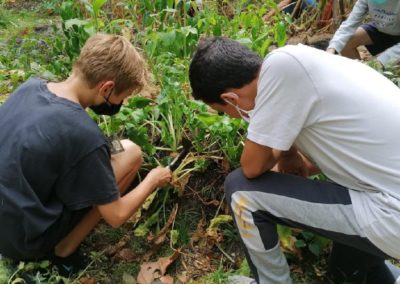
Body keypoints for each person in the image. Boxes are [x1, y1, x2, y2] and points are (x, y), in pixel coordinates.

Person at [189, 37, 400, 283]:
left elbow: (252, 167)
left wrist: (278, 148)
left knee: (241, 191)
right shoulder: (305, 62)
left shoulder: (282, 69)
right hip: (386, 196)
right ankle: (374, 276)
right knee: (342, 272)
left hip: (390, 211)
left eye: (222, 110)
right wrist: (290, 154)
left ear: (230, 99)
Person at [0, 34, 172, 274]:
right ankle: (64, 250)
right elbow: (116, 215)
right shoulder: (83, 133)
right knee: (132, 155)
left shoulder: (29, 87)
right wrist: (153, 179)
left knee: (125, 148)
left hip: (9, 216)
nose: (120, 102)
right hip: (24, 242)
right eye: (122, 97)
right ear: (107, 88)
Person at [327, 0, 400, 68]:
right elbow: (349, 25)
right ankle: (357, 74)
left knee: (385, 65)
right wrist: (331, 50)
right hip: (381, 28)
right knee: (346, 41)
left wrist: (380, 62)